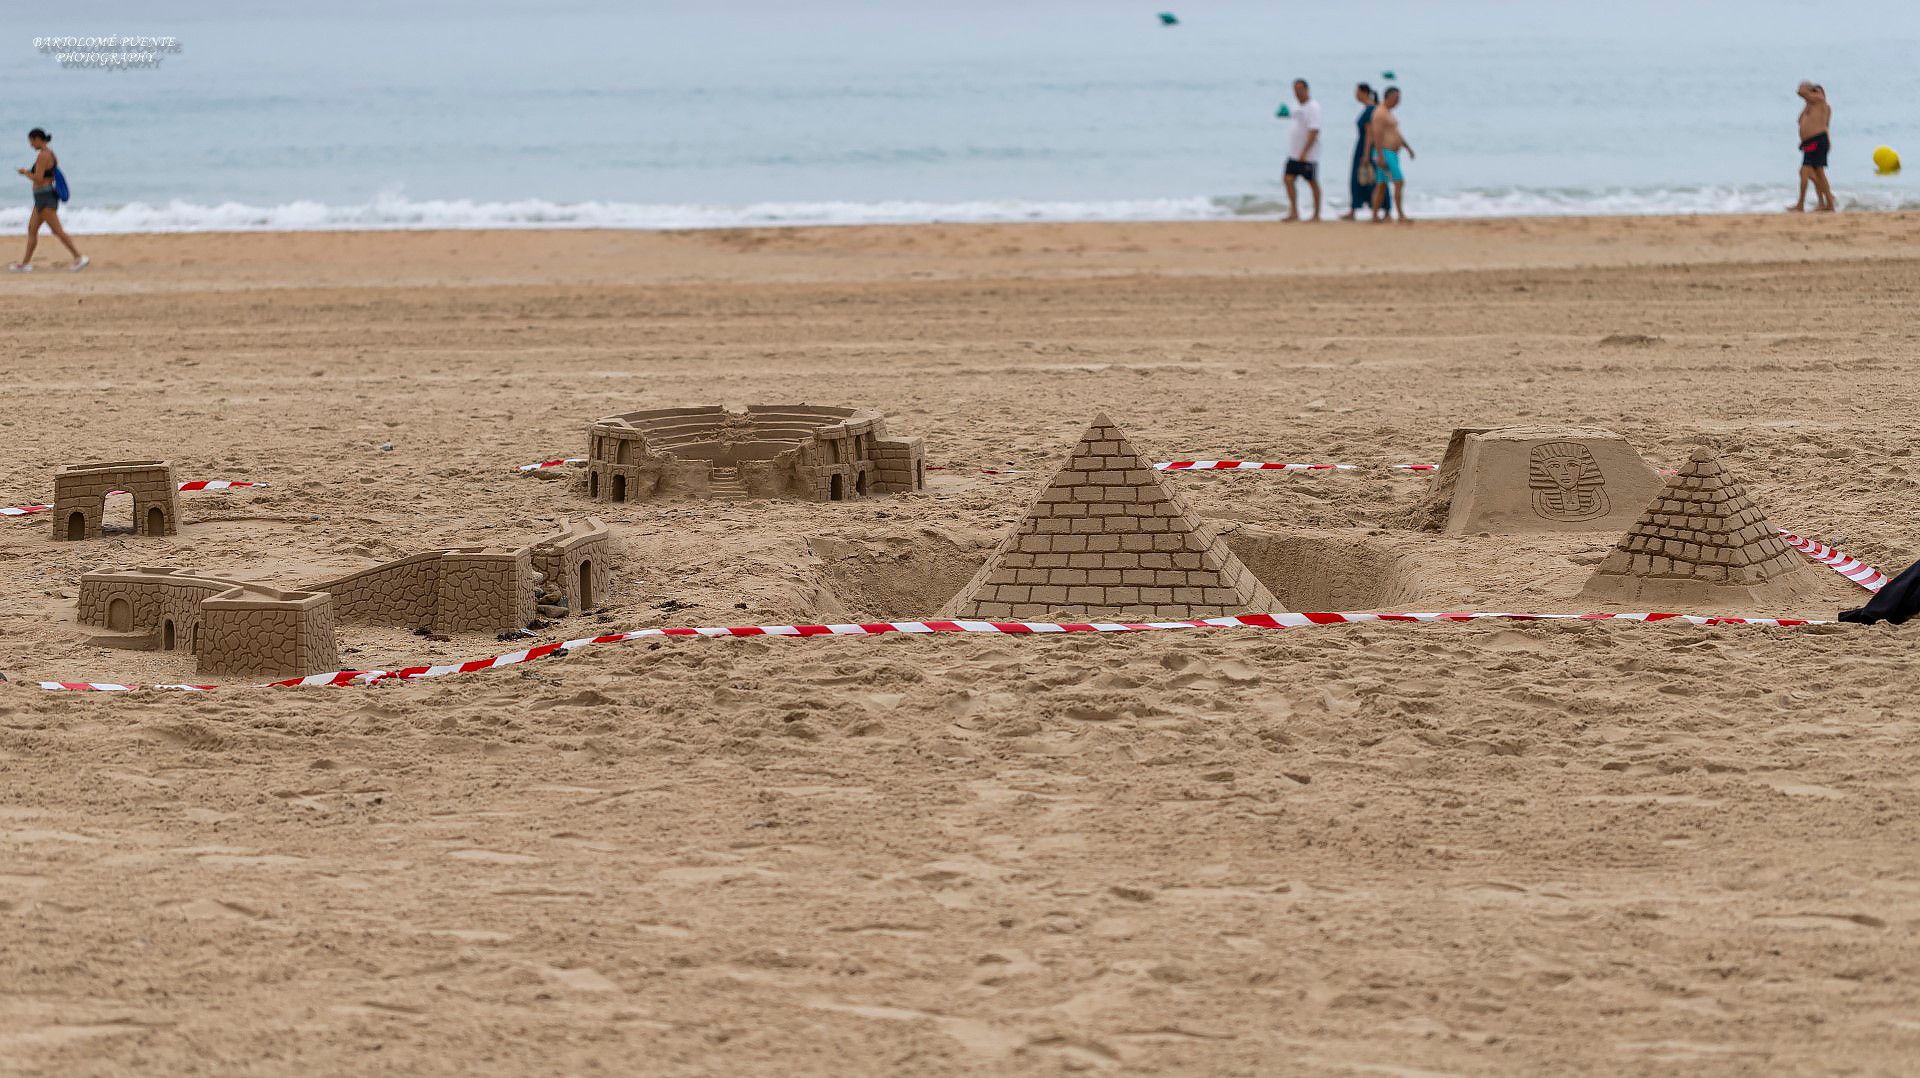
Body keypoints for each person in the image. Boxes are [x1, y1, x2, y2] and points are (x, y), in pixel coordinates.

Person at [11, 128, 87, 273]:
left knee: (57, 230)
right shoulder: (50, 153)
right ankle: (25, 264)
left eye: (31, 141)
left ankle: (79, 257)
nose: (31, 145)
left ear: (38, 139)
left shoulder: (43, 155)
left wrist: (25, 172)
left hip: (45, 198)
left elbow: (39, 179)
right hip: (40, 198)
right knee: (32, 229)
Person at [1368, 87, 1414, 222]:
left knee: (1382, 185)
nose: (1398, 101)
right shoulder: (1380, 113)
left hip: (1391, 153)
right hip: (1385, 152)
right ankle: (1400, 214)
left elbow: (1396, 133)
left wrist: (1407, 147)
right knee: (1399, 182)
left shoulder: (1389, 113)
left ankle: (1375, 215)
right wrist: (1380, 156)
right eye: (1396, 98)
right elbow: (1376, 135)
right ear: (1389, 97)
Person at [1345, 82, 1390, 220]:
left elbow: (1369, 133)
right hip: (1365, 146)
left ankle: (1382, 209)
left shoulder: (1371, 110)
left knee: (1372, 179)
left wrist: (1365, 154)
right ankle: (1355, 208)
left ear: (1363, 92)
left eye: (1357, 92)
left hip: (1367, 147)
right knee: (1363, 179)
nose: (1355, 95)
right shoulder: (1369, 109)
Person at [1789, 81, 1835, 213]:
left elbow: (1803, 92)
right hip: (1809, 142)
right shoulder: (1810, 106)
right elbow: (1800, 120)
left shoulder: (1821, 102)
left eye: (1816, 92)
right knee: (1816, 173)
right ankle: (1826, 201)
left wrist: (1806, 88)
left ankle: (1802, 204)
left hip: (1818, 141)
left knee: (1806, 171)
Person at [1281, 78, 1322, 222]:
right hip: (1293, 152)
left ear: (1306, 89)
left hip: (1308, 155)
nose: (1297, 93)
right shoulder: (1296, 106)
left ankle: (1316, 213)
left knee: (1312, 182)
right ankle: (1294, 211)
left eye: (1300, 90)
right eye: (1295, 90)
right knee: (1288, 179)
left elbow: (1314, 130)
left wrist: (1305, 151)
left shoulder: (1313, 107)